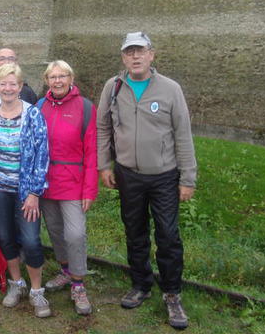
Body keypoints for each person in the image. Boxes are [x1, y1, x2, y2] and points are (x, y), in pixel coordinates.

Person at [96, 32, 197, 330]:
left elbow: (183, 134)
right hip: (128, 174)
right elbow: (103, 128)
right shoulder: (113, 88)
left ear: (152, 55)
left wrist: (188, 177)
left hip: (165, 176)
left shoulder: (170, 90)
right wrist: (105, 164)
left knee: (168, 235)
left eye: (140, 51)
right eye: (129, 53)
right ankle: (141, 284)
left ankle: (172, 293)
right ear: (123, 58)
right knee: (135, 231)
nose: (135, 57)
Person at [0, 63, 51, 318]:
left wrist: (34, 193)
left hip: (24, 193)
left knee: (30, 240)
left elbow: (43, 155)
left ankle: (37, 291)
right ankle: (16, 284)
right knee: (6, 237)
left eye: (13, 84)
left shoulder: (33, 115)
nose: (8, 88)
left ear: (20, 87)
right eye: (3, 84)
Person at [38, 60, 98, 315]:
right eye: (53, 77)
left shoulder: (85, 107)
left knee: (75, 233)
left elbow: (92, 151)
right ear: (47, 81)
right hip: (46, 181)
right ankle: (65, 270)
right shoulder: (40, 106)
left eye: (62, 76)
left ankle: (78, 283)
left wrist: (89, 189)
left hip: (73, 180)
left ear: (71, 78)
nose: (58, 81)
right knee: (54, 230)